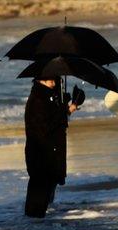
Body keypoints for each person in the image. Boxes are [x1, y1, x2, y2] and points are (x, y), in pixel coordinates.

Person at [24, 77, 77, 218]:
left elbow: (55, 122)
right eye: (50, 79)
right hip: (41, 152)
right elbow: (45, 126)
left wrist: (68, 108)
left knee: (45, 190)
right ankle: (35, 224)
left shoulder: (47, 96)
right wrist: (62, 109)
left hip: (48, 151)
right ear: (41, 79)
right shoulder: (39, 98)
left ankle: (38, 224)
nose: (54, 82)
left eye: (55, 79)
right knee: (39, 192)